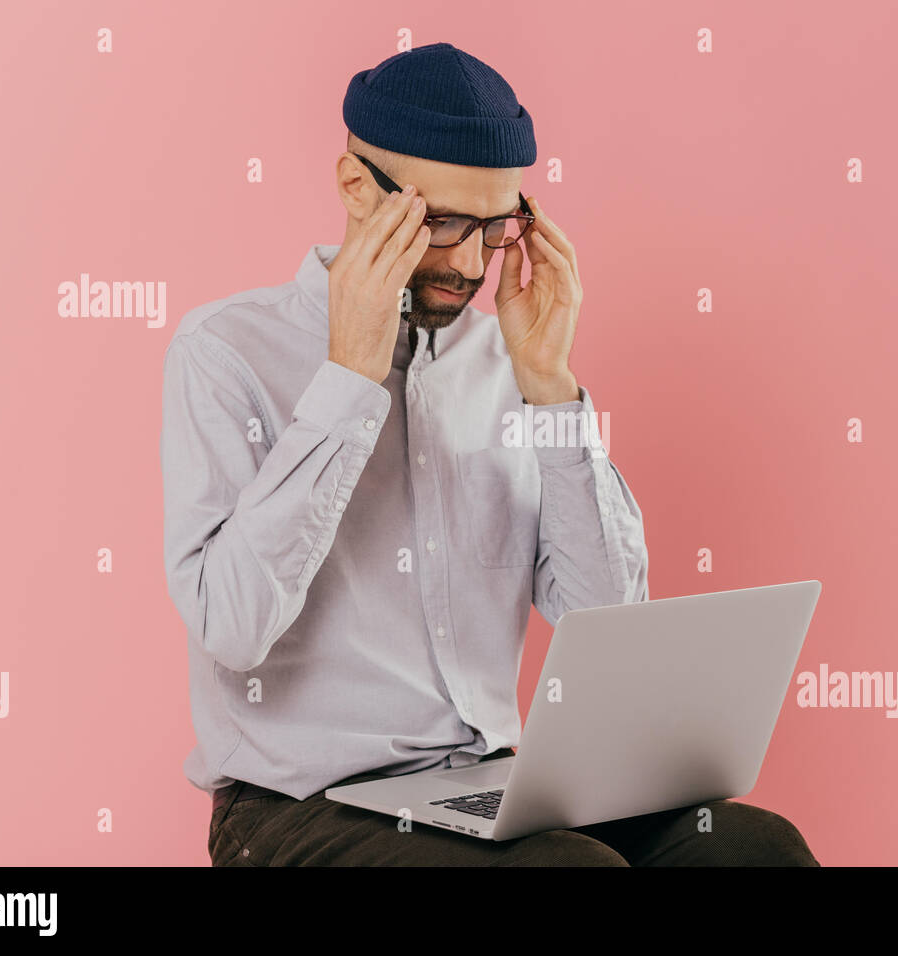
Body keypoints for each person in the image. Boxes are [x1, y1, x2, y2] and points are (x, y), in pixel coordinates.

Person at [161, 41, 818, 866]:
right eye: (441, 225)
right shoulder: (226, 352)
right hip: (299, 808)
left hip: (488, 785)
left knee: (752, 850)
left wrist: (550, 386)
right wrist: (349, 382)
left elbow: (603, 623)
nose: (471, 265)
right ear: (357, 190)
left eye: (496, 228)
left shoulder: (505, 356)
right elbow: (231, 627)